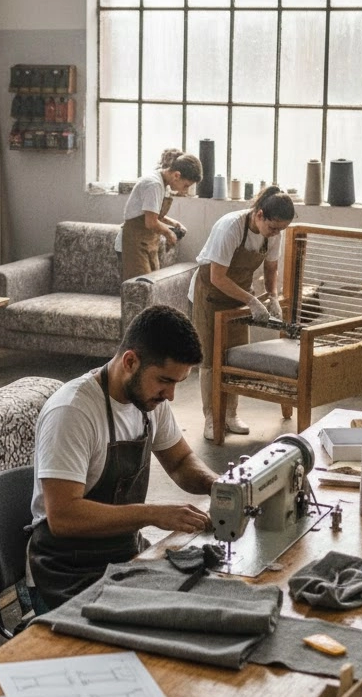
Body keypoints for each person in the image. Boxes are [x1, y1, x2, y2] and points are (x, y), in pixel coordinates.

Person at [27, 304, 218, 611]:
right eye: (165, 381)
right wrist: (153, 513)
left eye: (176, 384)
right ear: (131, 361)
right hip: (66, 571)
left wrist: (220, 486)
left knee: (205, 595)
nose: (170, 395)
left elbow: (181, 463)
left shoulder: (148, 401)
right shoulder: (73, 412)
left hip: (120, 555)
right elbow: (63, 517)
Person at [189, 184, 296, 442]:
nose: (277, 233)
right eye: (273, 227)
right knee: (212, 362)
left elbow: (271, 268)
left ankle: (230, 414)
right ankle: (211, 418)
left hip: (239, 297)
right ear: (259, 215)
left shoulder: (274, 232)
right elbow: (217, 276)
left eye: (281, 229)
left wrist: (271, 295)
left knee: (233, 356)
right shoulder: (231, 227)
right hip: (210, 294)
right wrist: (251, 300)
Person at [116, 148, 203, 281]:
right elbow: (150, 222)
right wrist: (169, 233)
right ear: (176, 175)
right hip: (133, 243)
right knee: (140, 288)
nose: (185, 190)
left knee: (152, 287)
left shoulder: (163, 182)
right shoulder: (154, 184)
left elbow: (152, 213)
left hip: (146, 242)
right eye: (186, 185)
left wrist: (174, 223)